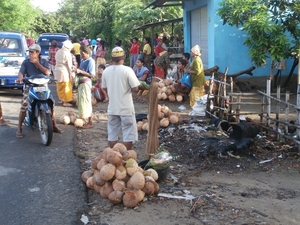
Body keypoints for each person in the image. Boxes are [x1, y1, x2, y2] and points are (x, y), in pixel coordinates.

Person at [16, 44, 63, 138]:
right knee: (24, 105)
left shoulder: (44, 61)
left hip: (43, 86)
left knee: (51, 104)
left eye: (32, 52)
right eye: (29, 52)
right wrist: (20, 78)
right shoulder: (26, 62)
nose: (30, 54)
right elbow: (21, 72)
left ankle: (54, 125)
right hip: (30, 86)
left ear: (38, 53)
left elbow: (47, 72)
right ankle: (19, 128)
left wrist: (36, 63)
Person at [102, 46, 140, 150]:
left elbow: (104, 88)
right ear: (124, 57)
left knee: (112, 133)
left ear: (112, 58)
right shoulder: (127, 70)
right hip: (126, 108)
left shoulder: (106, 71)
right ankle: (126, 159)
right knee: (128, 134)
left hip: (112, 108)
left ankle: (114, 158)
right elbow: (135, 88)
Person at [75, 45, 95, 129]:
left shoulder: (91, 61)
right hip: (81, 83)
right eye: (81, 53)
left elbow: (92, 75)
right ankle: (84, 119)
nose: (82, 55)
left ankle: (90, 122)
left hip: (86, 83)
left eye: (83, 53)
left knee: (86, 101)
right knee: (82, 102)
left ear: (87, 53)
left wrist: (81, 71)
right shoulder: (83, 60)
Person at [53, 40, 74, 107]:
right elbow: (70, 66)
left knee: (59, 86)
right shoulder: (67, 54)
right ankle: (65, 101)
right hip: (64, 71)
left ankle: (60, 99)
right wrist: (72, 74)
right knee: (66, 86)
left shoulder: (58, 51)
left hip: (57, 70)